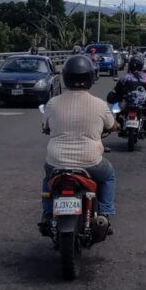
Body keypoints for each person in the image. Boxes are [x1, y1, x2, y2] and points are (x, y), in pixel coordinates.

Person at [40, 55, 118, 234]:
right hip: (90, 162)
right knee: (108, 176)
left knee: (47, 179)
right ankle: (105, 214)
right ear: (91, 77)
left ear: (66, 77)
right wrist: (114, 126)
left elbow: (45, 126)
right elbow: (111, 125)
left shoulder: (52, 103)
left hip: (56, 161)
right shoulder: (100, 105)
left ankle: (46, 213)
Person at [107, 54, 146, 134]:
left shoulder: (125, 77)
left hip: (127, 103)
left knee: (118, 109)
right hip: (141, 104)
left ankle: (117, 125)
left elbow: (117, 89)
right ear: (141, 66)